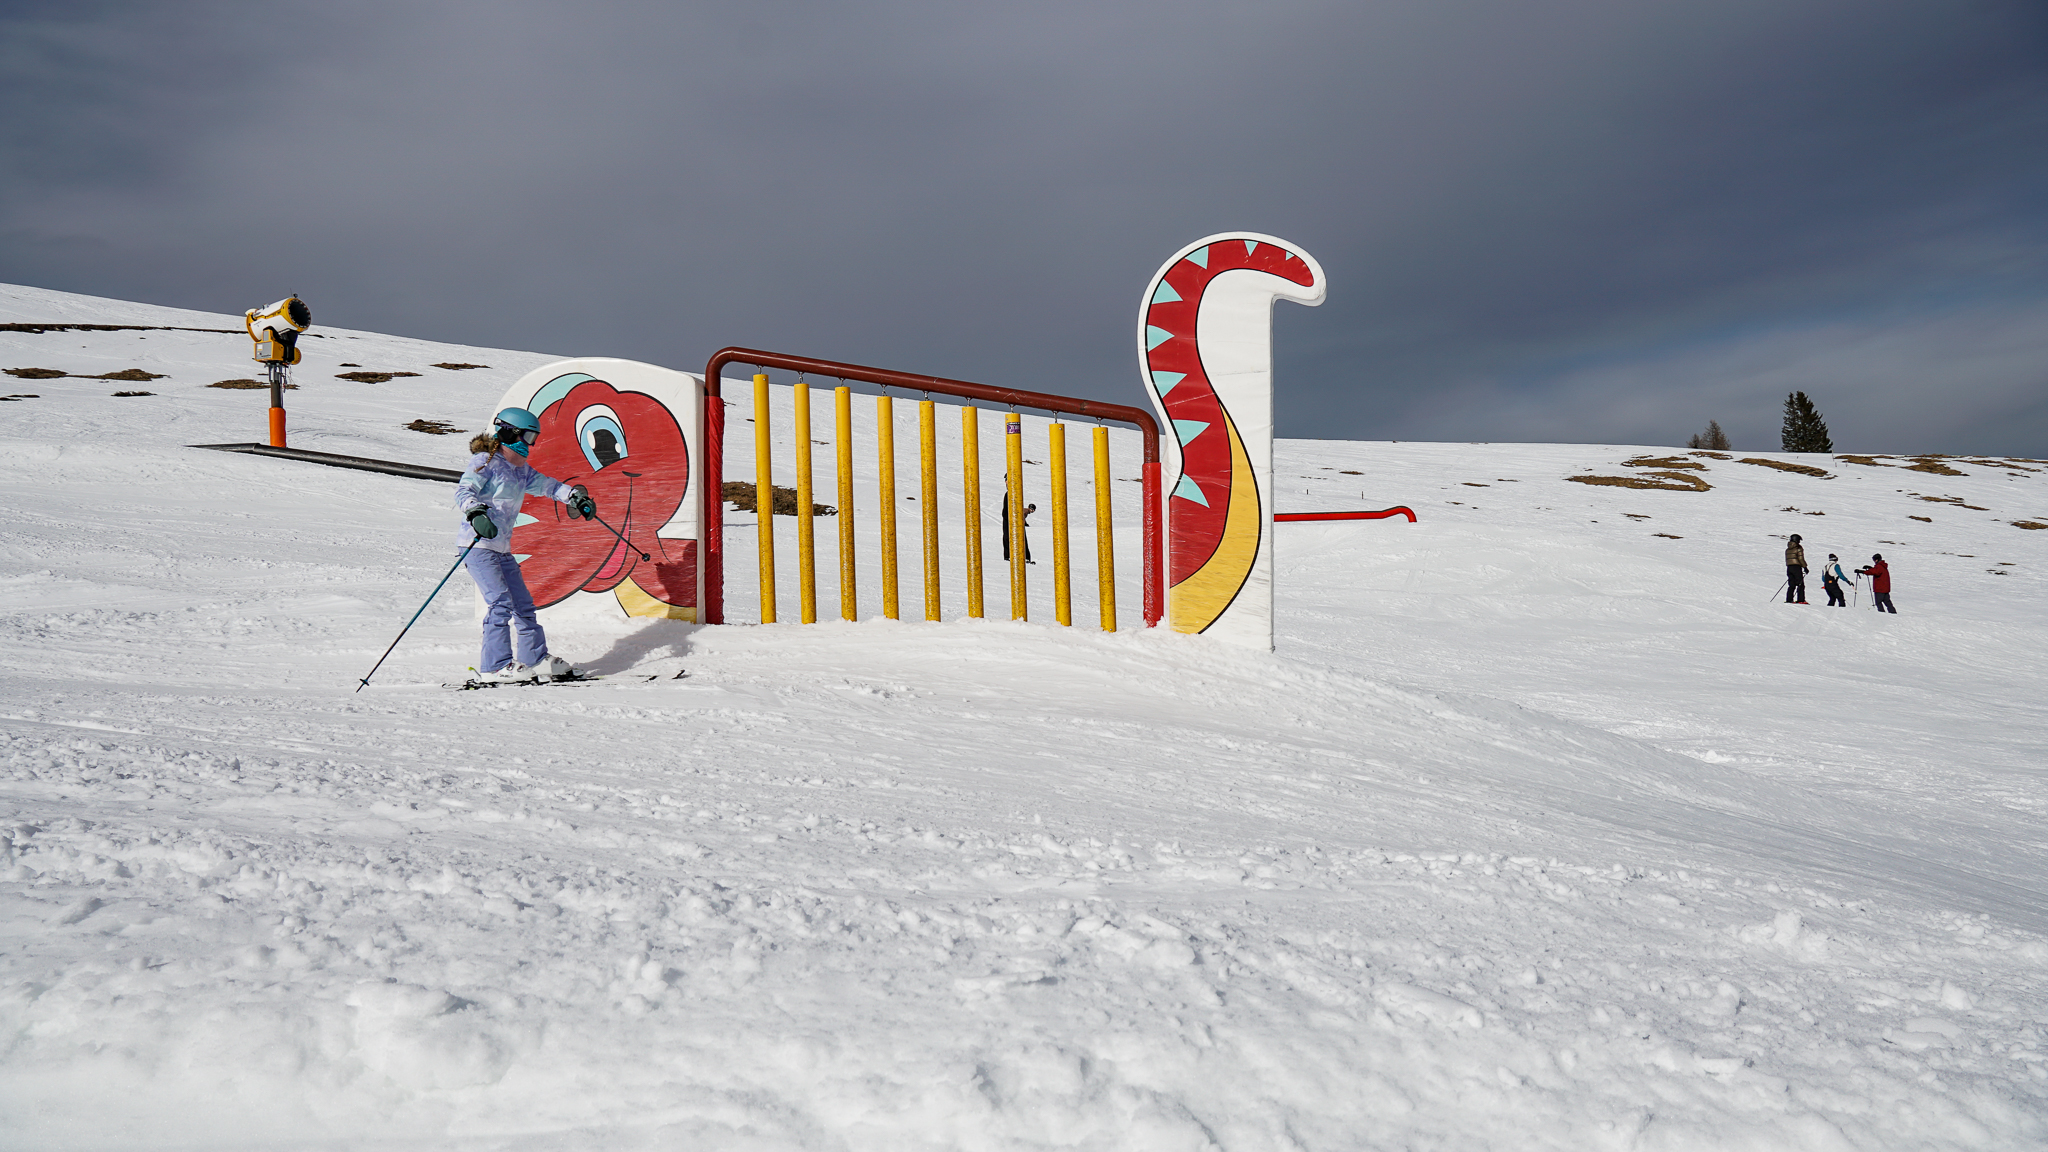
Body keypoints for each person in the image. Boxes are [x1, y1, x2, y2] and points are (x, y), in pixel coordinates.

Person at [456, 407, 599, 682]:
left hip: (501, 547)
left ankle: (535, 658)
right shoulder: (485, 462)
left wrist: (575, 498)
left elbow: (549, 486)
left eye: (534, 437)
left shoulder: (519, 470)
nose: (530, 444)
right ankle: (495, 667)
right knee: (500, 602)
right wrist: (475, 513)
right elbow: (464, 490)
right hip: (477, 545)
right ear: (511, 433)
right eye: (528, 436)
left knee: (522, 604)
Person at [1001, 493, 1036, 563]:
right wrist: (1024, 523)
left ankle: (1009, 556)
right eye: (1033, 510)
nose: (1033, 511)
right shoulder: (1026, 511)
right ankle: (1025, 558)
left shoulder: (1026, 511)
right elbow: (1022, 516)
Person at [1784, 533, 1809, 604]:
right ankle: (1801, 599)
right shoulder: (1798, 548)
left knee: (1791, 585)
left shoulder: (1788, 549)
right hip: (1796, 567)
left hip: (1789, 567)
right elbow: (1801, 559)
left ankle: (1789, 599)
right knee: (1800, 584)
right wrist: (1805, 567)